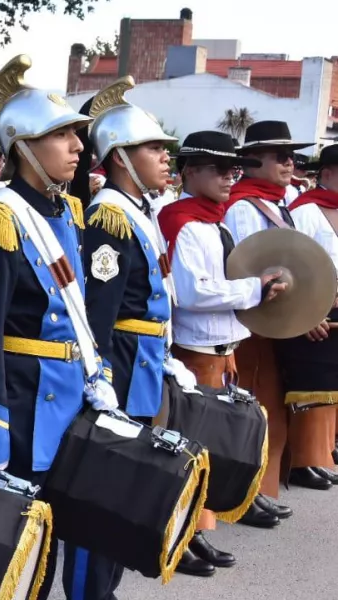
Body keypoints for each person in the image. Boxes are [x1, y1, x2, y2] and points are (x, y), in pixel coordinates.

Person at [0, 54, 120, 600]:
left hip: (72, 398)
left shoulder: (66, 214)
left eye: (78, 135)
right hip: (24, 410)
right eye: (63, 136)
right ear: (22, 145)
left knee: (75, 544)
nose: (79, 147)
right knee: (21, 569)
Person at [74, 80, 234, 577]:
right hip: (118, 364)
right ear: (120, 157)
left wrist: (164, 356)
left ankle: (107, 585)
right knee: (104, 491)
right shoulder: (110, 218)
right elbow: (99, 315)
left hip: (142, 361)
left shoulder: (138, 212)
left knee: (126, 491)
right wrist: (97, 375)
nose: (167, 158)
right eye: (154, 149)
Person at [158, 130, 289, 538]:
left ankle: (200, 526)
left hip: (221, 346)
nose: (230, 177)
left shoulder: (213, 221)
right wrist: (255, 288)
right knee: (192, 447)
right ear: (189, 172)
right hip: (195, 349)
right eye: (219, 169)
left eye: (234, 168)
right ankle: (185, 532)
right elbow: (192, 290)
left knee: (212, 445)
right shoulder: (183, 222)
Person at [225, 120, 334, 497]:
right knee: (257, 407)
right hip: (257, 321)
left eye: (292, 157)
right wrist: (303, 316)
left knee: (272, 406)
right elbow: (252, 270)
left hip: (277, 316)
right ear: (253, 161)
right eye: (280, 157)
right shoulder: (242, 207)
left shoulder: (276, 202)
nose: (290, 164)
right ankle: (248, 493)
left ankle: (265, 486)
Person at [278, 144, 338, 485]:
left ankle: (319, 454)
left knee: (329, 387)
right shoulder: (305, 211)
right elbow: (293, 266)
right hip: (315, 306)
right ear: (326, 174)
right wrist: (305, 314)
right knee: (309, 386)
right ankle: (301, 461)